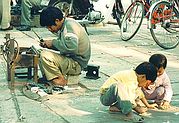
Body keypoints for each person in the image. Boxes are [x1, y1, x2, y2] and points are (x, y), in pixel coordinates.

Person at [38, 7, 91, 90]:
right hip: (72, 60)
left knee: (45, 55)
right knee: (38, 53)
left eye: (49, 26)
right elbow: (65, 45)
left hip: (76, 64)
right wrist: (49, 45)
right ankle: (50, 77)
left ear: (57, 21)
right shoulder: (65, 24)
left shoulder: (69, 26)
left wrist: (53, 43)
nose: (49, 29)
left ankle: (60, 80)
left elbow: (71, 48)